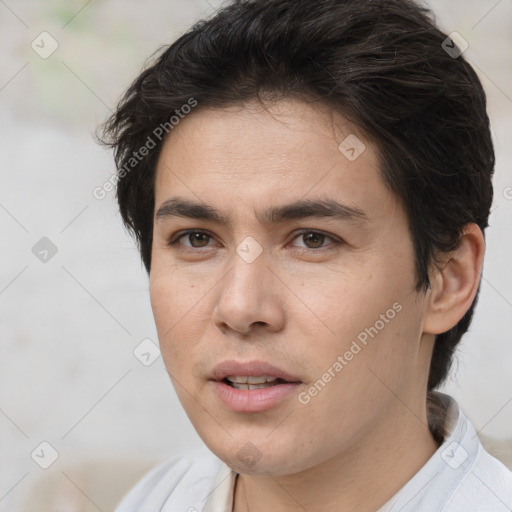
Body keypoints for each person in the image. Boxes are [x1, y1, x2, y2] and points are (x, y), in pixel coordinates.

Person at [99, 0, 512, 510]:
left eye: (312, 239)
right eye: (197, 239)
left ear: (449, 277)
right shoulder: (154, 500)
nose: (240, 308)